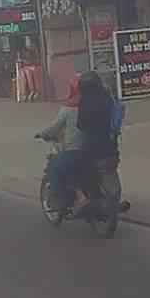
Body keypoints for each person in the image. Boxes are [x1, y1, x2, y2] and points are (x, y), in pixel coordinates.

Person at [38, 71, 117, 214]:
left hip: (90, 150)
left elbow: (81, 125)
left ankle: (78, 198)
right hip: (111, 149)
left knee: (57, 165)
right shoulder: (109, 100)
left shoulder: (82, 104)